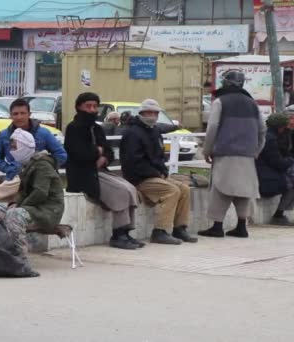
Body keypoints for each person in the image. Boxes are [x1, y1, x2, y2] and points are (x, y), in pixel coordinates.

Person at [65, 93, 142, 249]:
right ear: (79, 107)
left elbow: (108, 151)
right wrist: (96, 152)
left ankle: (126, 232)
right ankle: (118, 235)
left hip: (100, 170)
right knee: (120, 191)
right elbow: (79, 154)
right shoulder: (73, 128)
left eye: (95, 106)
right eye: (88, 106)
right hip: (83, 175)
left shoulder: (97, 128)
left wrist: (103, 156)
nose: (92, 109)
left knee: (130, 189)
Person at [198, 71, 266, 238]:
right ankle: (241, 227)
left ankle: (217, 226)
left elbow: (212, 127)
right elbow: (262, 130)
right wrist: (256, 151)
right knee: (243, 191)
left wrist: (207, 150)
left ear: (226, 83)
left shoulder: (220, 101)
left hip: (225, 153)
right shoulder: (252, 104)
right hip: (248, 156)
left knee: (220, 190)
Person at [120, 99, 197, 245]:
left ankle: (180, 228)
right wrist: (157, 173)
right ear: (142, 113)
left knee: (185, 189)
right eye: (149, 113)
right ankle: (159, 231)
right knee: (172, 190)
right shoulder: (133, 133)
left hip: (155, 175)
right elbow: (133, 163)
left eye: (155, 113)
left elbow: (159, 156)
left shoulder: (153, 130)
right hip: (140, 179)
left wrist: (162, 172)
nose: (152, 116)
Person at [0, 98, 67, 204]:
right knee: (8, 212)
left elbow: (61, 155)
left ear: (29, 114)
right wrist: (9, 168)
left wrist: (44, 165)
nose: (19, 117)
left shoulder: (43, 133)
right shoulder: (5, 135)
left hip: (38, 181)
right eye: (15, 114)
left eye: (23, 113)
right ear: (10, 115)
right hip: (13, 181)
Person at [0, 128, 66, 256]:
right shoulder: (29, 165)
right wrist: (15, 203)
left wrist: (19, 206)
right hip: (34, 209)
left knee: (14, 214)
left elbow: (40, 193)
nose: (12, 151)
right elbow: (24, 192)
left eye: (14, 147)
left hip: (48, 211)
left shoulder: (42, 165)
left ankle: (19, 256)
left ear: (24, 146)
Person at [256, 114, 294, 226]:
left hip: (264, 172)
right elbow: (278, 163)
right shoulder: (270, 139)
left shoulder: (268, 136)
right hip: (265, 177)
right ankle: (278, 215)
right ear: (280, 127)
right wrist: (291, 161)